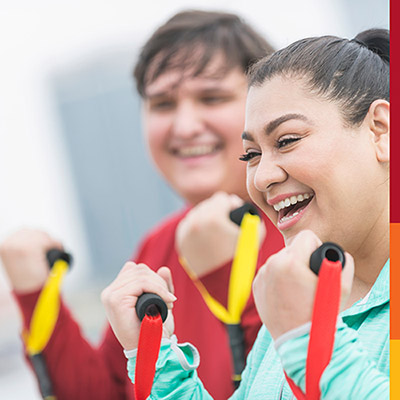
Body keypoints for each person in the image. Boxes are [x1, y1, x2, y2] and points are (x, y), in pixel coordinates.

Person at [0, 10, 283, 400]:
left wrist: (229, 280)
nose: (184, 126)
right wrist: (36, 295)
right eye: (163, 104)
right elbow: (109, 393)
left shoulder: (305, 226)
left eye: (212, 97)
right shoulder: (158, 248)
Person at [102, 28, 390, 398]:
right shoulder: (289, 311)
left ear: (381, 130)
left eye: (286, 140)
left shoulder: (293, 316)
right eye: (251, 155)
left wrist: (308, 339)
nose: (263, 177)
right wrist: (158, 359)